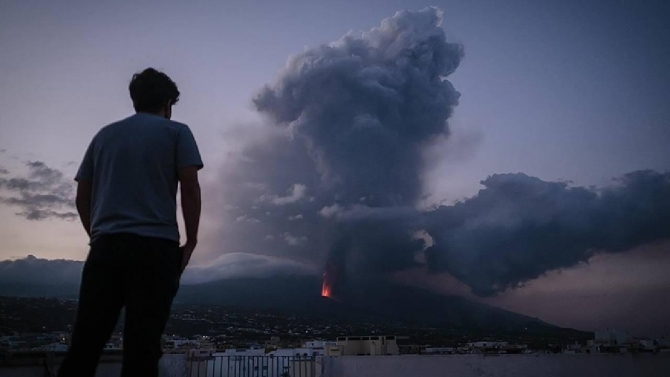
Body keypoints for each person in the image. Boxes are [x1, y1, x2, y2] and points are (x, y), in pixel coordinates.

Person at [58, 68, 203, 376]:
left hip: (107, 248)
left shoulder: (104, 136)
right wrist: (191, 242)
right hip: (156, 250)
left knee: (85, 345)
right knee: (143, 349)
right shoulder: (177, 132)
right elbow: (190, 187)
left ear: (135, 99)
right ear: (167, 103)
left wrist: (97, 235)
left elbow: (82, 196)